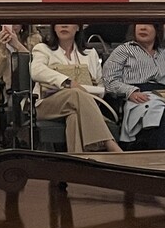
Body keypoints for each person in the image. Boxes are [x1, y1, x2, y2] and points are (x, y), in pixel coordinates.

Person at [102, 23, 165, 150]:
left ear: (158, 30)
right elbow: (109, 80)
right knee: (161, 120)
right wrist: (130, 92)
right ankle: (162, 161)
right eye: (139, 24)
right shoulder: (123, 50)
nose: (143, 28)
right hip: (140, 96)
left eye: (148, 24)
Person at [29, 23, 123, 153]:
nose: (64, 26)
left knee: (74, 116)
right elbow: (36, 71)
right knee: (75, 93)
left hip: (81, 105)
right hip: (47, 105)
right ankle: (110, 144)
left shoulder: (90, 54)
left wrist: (91, 91)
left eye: (69, 22)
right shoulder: (43, 49)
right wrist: (68, 82)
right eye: (59, 23)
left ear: (78, 27)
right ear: (54, 27)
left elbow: (100, 84)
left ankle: (78, 159)